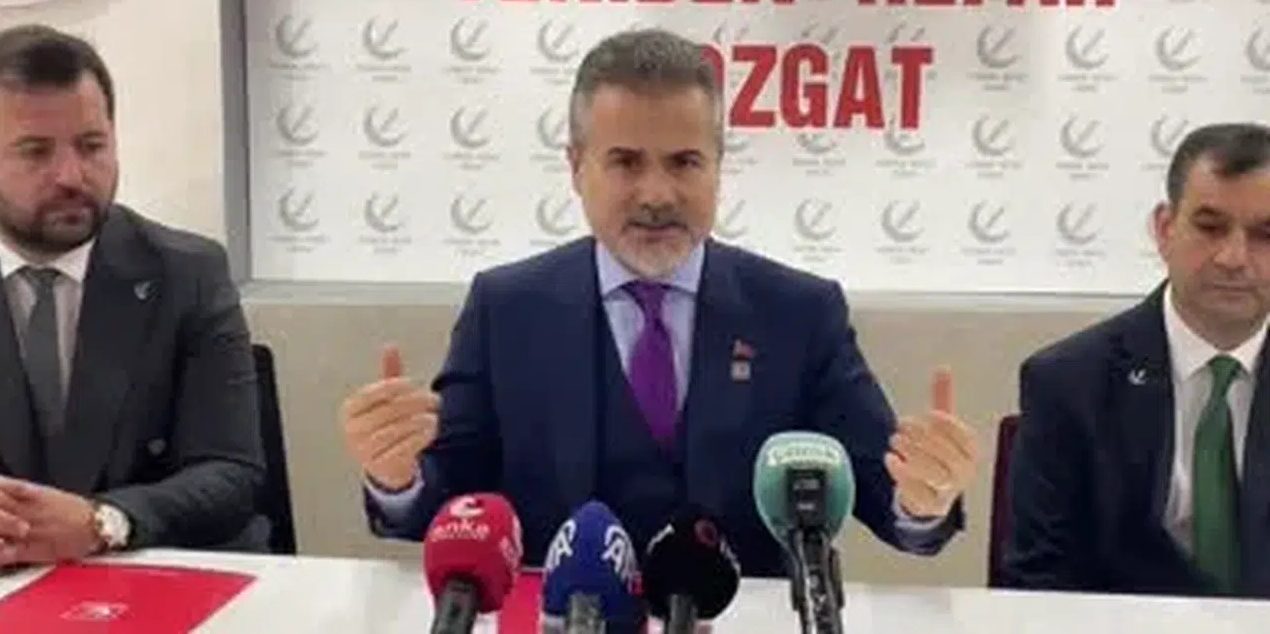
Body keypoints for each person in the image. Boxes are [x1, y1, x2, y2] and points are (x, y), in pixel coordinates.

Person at [339, 28, 979, 576]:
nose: (656, 194)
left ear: (719, 167)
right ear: (576, 167)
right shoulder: (505, 309)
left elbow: (885, 496)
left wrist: (923, 498)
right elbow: (446, 502)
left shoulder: (799, 313)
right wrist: (398, 478)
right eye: (625, 162)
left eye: (684, 162)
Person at [0, 23, 267, 570]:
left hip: (149, 576)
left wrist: (103, 521)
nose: (71, 175)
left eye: (91, 145)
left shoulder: (187, 273)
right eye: (35, 152)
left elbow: (232, 474)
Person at [1003, 122, 1270, 597]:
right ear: (1165, 230)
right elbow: (1040, 582)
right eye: (1210, 228)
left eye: (1265, 235)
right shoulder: (1067, 383)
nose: (1233, 257)